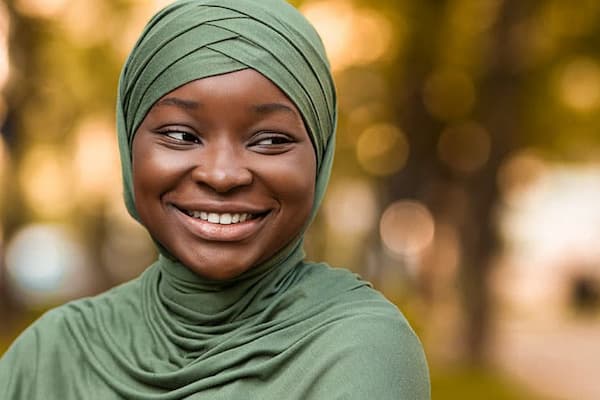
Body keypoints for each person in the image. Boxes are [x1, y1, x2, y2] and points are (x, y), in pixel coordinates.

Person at [0, 0, 430, 398]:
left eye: (270, 140)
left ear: (319, 157)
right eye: (182, 136)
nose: (222, 175)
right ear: (129, 148)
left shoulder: (359, 351)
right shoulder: (49, 356)